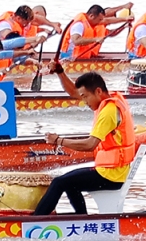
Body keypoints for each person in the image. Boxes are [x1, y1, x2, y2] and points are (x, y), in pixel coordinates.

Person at [32, 70, 136, 216]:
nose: (84, 102)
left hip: (111, 176)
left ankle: (33, 222)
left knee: (59, 182)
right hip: (113, 171)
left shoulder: (108, 112)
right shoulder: (111, 97)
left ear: (98, 91)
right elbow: (75, 92)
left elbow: (90, 145)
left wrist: (59, 141)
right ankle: (82, 218)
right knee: (70, 183)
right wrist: (60, 71)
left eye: (85, 97)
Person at [61, 4, 133, 60]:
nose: (101, 22)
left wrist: (125, 19)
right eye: (99, 19)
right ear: (91, 16)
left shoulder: (90, 21)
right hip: (69, 58)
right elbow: (76, 41)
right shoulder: (79, 24)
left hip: (79, 56)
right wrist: (95, 39)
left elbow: (107, 20)